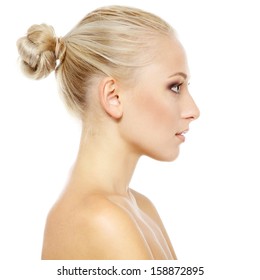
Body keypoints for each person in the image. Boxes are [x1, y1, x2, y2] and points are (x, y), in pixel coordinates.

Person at [16, 5, 200, 260]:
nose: (194, 110)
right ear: (113, 97)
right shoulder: (101, 220)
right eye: (175, 87)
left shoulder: (141, 208)